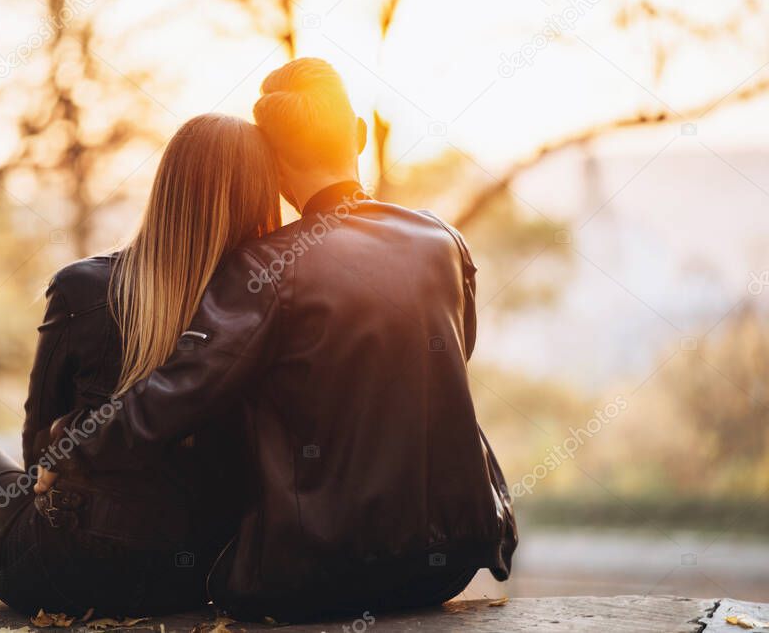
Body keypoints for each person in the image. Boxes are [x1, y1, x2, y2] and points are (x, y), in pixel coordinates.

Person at [39, 58, 518, 621]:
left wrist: (71, 442)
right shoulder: (441, 240)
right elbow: (446, 360)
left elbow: (176, 397)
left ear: (271, 163)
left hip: (320, 571)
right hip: (445, 563)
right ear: (359, 134)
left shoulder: (265, 267)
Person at [0, 113, 281, 617]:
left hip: (65, 573)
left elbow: (37, 453)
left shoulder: (87, 289)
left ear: (168, 189)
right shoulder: (270, 306)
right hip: (197, 576)